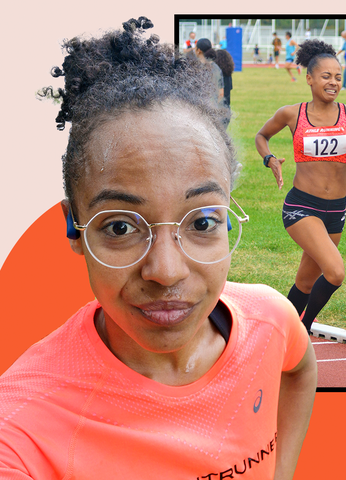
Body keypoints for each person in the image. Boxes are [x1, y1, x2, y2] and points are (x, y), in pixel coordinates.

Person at [0, 17, 317, 479]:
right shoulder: (22, 429)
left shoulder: (268, 319)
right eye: (121, 227)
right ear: (74, 226)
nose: (166, 272)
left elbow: (301, 369)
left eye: (203, 221)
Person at [255, 39, 346, 334]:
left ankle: (278, 333)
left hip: (336, 210)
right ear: (309, 78)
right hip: (301, 207)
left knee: (305, 282)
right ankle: (303, 330)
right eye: (326, 76)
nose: (333, 82)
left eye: (338, 77)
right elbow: (262, 136)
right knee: (335, 272)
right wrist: (269, 159)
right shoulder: (291, 114)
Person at [195, 37, 224, 104]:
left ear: (199, 50)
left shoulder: (194, 68)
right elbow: (221, 93)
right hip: (212, 108)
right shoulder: (216, 68)